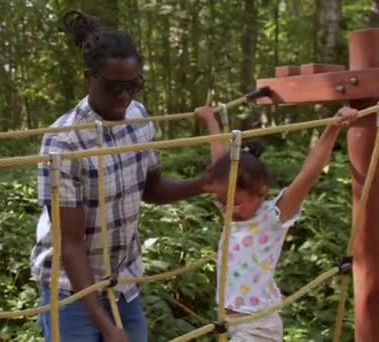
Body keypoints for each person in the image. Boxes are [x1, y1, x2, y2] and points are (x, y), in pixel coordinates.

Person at [30, 10, 212, 342]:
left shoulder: (138, 117)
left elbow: (151, 188)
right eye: (115, 87)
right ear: (89, 77)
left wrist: (204, 183)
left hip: (122, 280)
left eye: (133, 85)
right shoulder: (63, 142)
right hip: (72, 291)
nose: (125, 96)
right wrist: (106, 327)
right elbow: (69, 245)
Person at [194, 105, 358, 341]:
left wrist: (332, 127)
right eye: (223, 202)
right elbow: (220, 162)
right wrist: (210, 120)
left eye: (236, 203)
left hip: (258, 325)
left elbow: (309, 173)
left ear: (260, 193)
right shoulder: (232, 210)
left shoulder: (272, 216)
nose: (229, 209)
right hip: (233, 323)